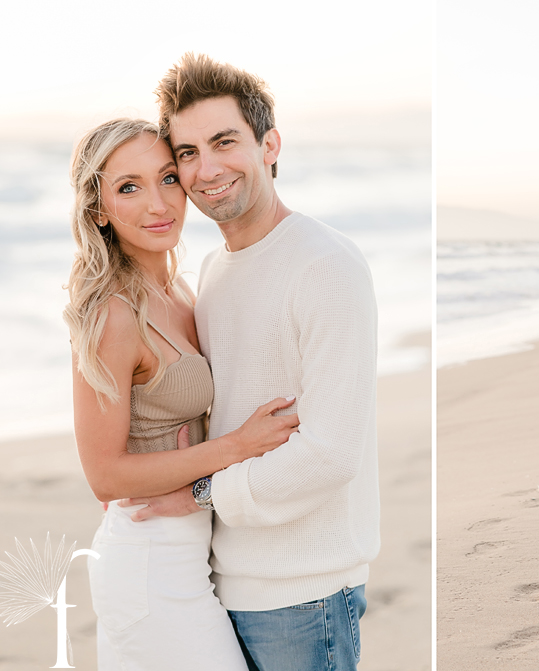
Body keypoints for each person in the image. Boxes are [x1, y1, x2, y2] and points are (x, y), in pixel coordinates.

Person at [118, 54, 380, 671]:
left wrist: (201, 491)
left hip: (303, 588)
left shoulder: (325, 264)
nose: (206, 169)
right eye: (186, 152)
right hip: (220, 577)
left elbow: (331, 452)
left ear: (269, 144)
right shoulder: (211, 272)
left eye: (224, 141)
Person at [65, 118, 301, 669]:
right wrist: (237, 447)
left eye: (168, 178)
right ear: (98, 208)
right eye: (129, 187)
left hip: (192, 554)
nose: (158, 203)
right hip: (149, 564)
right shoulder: (113, 315)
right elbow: (105, 476)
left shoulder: (177, 289)